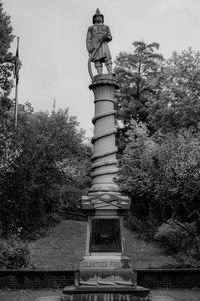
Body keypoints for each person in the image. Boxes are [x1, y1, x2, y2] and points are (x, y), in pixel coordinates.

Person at [86, 9, 113, 75]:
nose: (98, 18)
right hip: (95, 46)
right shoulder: (91, 28)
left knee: (108, 59)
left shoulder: (106, 27)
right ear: (94, 19)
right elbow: (88, 39)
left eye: (100, 17)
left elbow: (110, 36)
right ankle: (100, 74)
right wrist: (89, 50)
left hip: (104, 45)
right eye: (97, 17)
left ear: (102, 18)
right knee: (97, 60)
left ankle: (110, 73)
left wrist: (106, 37)